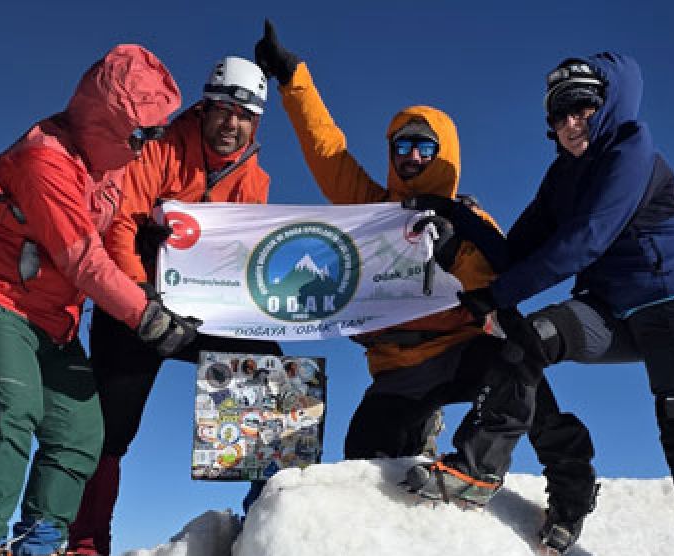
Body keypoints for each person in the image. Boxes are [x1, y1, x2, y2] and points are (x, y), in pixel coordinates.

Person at [420, 53, 674, 556]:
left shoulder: (632, 153)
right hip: (613, 311)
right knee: (528, 340)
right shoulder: (560, 178)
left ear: (608, 108)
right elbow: (518, 250)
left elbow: (585, 239)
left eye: (584, 107)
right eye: (561, 112)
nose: (572, 121)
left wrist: (495, 296)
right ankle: (477, 470)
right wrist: (460, 219)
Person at [252, 20, 594, 493]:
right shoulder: (373, 211)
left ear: (443, 151)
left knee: (523, 378)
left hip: (465, 350)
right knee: (363, 465)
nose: (412, 155)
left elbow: (500, 279)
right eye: (402, 146)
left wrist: (455, 250)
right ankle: (418, 434)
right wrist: (295, 81)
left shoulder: (472, 218)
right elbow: (328, 152)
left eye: (424, 146)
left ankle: (571, 480)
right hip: (399, 367)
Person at [0, 45, 199, 556]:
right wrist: (147, 319)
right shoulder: (45, 159)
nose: (144, 148)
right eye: (139, 135)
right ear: (107, 120)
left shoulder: (109, 167)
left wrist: (154, 277)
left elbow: (112, 242)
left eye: (152, 137)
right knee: (12, 411)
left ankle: (40, 546)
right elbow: (82, 258)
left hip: (54, 323)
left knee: (84, 431)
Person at [68, 57, 281, 556]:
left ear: (256, 123)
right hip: (133, 306)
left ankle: (262, 511)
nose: (232, 123)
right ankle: (85, 545)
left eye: (245, 114)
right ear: (205, 108)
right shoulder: (158, 149)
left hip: (202, 312)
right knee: (110, 428)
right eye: (224, 110)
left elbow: (241, 257)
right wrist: (141, 296)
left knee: (265, 367)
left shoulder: (256, 181)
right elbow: (119, 223)